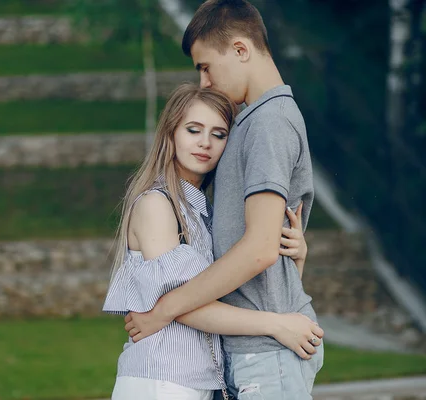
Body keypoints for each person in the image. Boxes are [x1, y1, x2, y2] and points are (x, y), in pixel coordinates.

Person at [124, 1, 324, 399]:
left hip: (267, 354)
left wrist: (163, 310)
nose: (204, 81)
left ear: (240, 49)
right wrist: (295, 258)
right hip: (251, 350)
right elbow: (265, 250)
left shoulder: (269, 122)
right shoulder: (251, 122)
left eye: (205, 66)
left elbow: (260, 250)